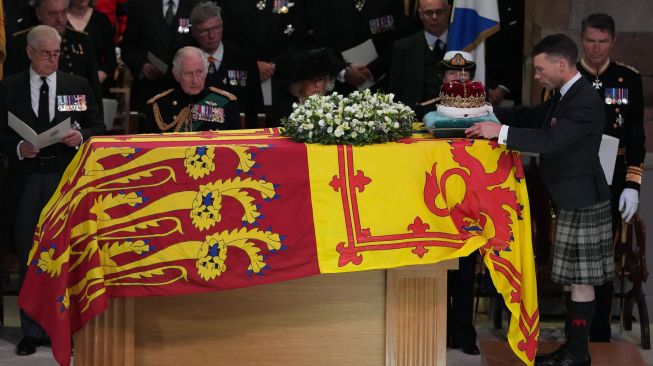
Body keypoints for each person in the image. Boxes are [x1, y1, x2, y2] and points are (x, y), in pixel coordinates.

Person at [466, 33, 612, 366]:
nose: (536, 76)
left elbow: (551, 139)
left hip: (584, 199)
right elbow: (533, 117)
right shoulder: (565, 93)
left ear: (562, 64)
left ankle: (578, 354)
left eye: (540, 69)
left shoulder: (585, 100)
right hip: (570, 197)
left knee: (581, 280)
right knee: (574, 280)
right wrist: (490, 112)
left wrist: (498, 133)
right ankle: (573, 350)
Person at [0, 24, 105, 356]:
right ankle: (31, 329)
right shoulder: (9, 87)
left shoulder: (78, 84)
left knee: (66, 251)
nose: (53, 59)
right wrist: (18, 147)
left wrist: (81, 137)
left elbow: (98, 125)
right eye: (46, 53)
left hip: (65, 177)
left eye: (57, 53)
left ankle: (66, 326)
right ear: (30, 52)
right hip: (27, 178)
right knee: (31, 251)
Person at [577, 13, 646, 343]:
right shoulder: (567, 75)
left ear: (613, 42)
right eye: (590, 40)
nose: (596, 48)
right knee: (577, 253)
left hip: (614, 174)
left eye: (603, 42)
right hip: (574, 175)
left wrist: (633, 184)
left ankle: (599, 333)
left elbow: (637, 138)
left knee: (604, 253)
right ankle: (574, 331)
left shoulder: (627, 79)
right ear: (581, 40)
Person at [4, 0, 103, 104]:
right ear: (39, 14)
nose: (60, 19)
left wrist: (58, 105)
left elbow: (94, 95)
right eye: (52, 14)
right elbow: (11, 91)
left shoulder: (82, 40)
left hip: (75, 117)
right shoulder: (20, 42)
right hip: (30, 114)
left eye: (63, 12)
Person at [120, 0, 197, 131]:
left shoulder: (194, 5)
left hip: (184, 93)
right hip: (148, 91)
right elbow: (127, 48)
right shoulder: (141, 5)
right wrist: (143, 67)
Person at [307, 0, 414, 93]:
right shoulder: (325, 3)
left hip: (385, 83)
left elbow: (400, 39)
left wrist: (372, 70)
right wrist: (343, 71)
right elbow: (320, 43)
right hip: (341, 87)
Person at [189, 1, 262, 129]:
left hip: (237, 133)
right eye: (205, 31)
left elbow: (255, 107)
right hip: (197, 134)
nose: (211, 35)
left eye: (216, 28)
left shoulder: (244, 60)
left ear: (222, 27)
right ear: (194, 32)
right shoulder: (186, 61)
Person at [145, 46, 240, 132]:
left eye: (199, 72)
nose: (195, 80)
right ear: (176, 75)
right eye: (188, 73)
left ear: (206, 72)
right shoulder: (159, 106)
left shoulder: (226, 104)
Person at [388, 0, 450, 119]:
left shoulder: (465, 45)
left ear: (448, 11)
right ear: (420, 14)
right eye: (429, 13)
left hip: (457, 120)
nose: (434, 17)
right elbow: (394, 94)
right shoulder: (403, 48)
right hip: (414, 121)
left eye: (439, 12)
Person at [269, 47, 345, 123]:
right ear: (300, 82)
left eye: (320, 79)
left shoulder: (336, 108)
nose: (317, 85)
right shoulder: (282, 111)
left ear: (327, 81)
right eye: (311, 79)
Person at [67, 0, 117, 97]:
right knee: (70, 110)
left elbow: (111, 60)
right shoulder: (60, 20)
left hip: (96, 88)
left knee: (91, 111)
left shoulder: (102, 20)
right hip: (67, 87)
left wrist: (96, 79)